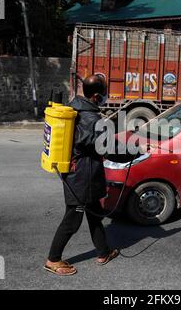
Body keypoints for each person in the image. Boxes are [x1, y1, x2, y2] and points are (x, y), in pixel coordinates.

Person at [44, 75, 132, 276]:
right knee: (72, 219)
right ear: (96, 96)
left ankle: (103, 252)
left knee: (94, 214)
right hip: (83, 177)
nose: (105, 98)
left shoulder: (75, 108)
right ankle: (53, 259)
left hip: (81, 174)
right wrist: (133, 151)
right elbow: (108, 148)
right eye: (104, 95)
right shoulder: (90, 118)